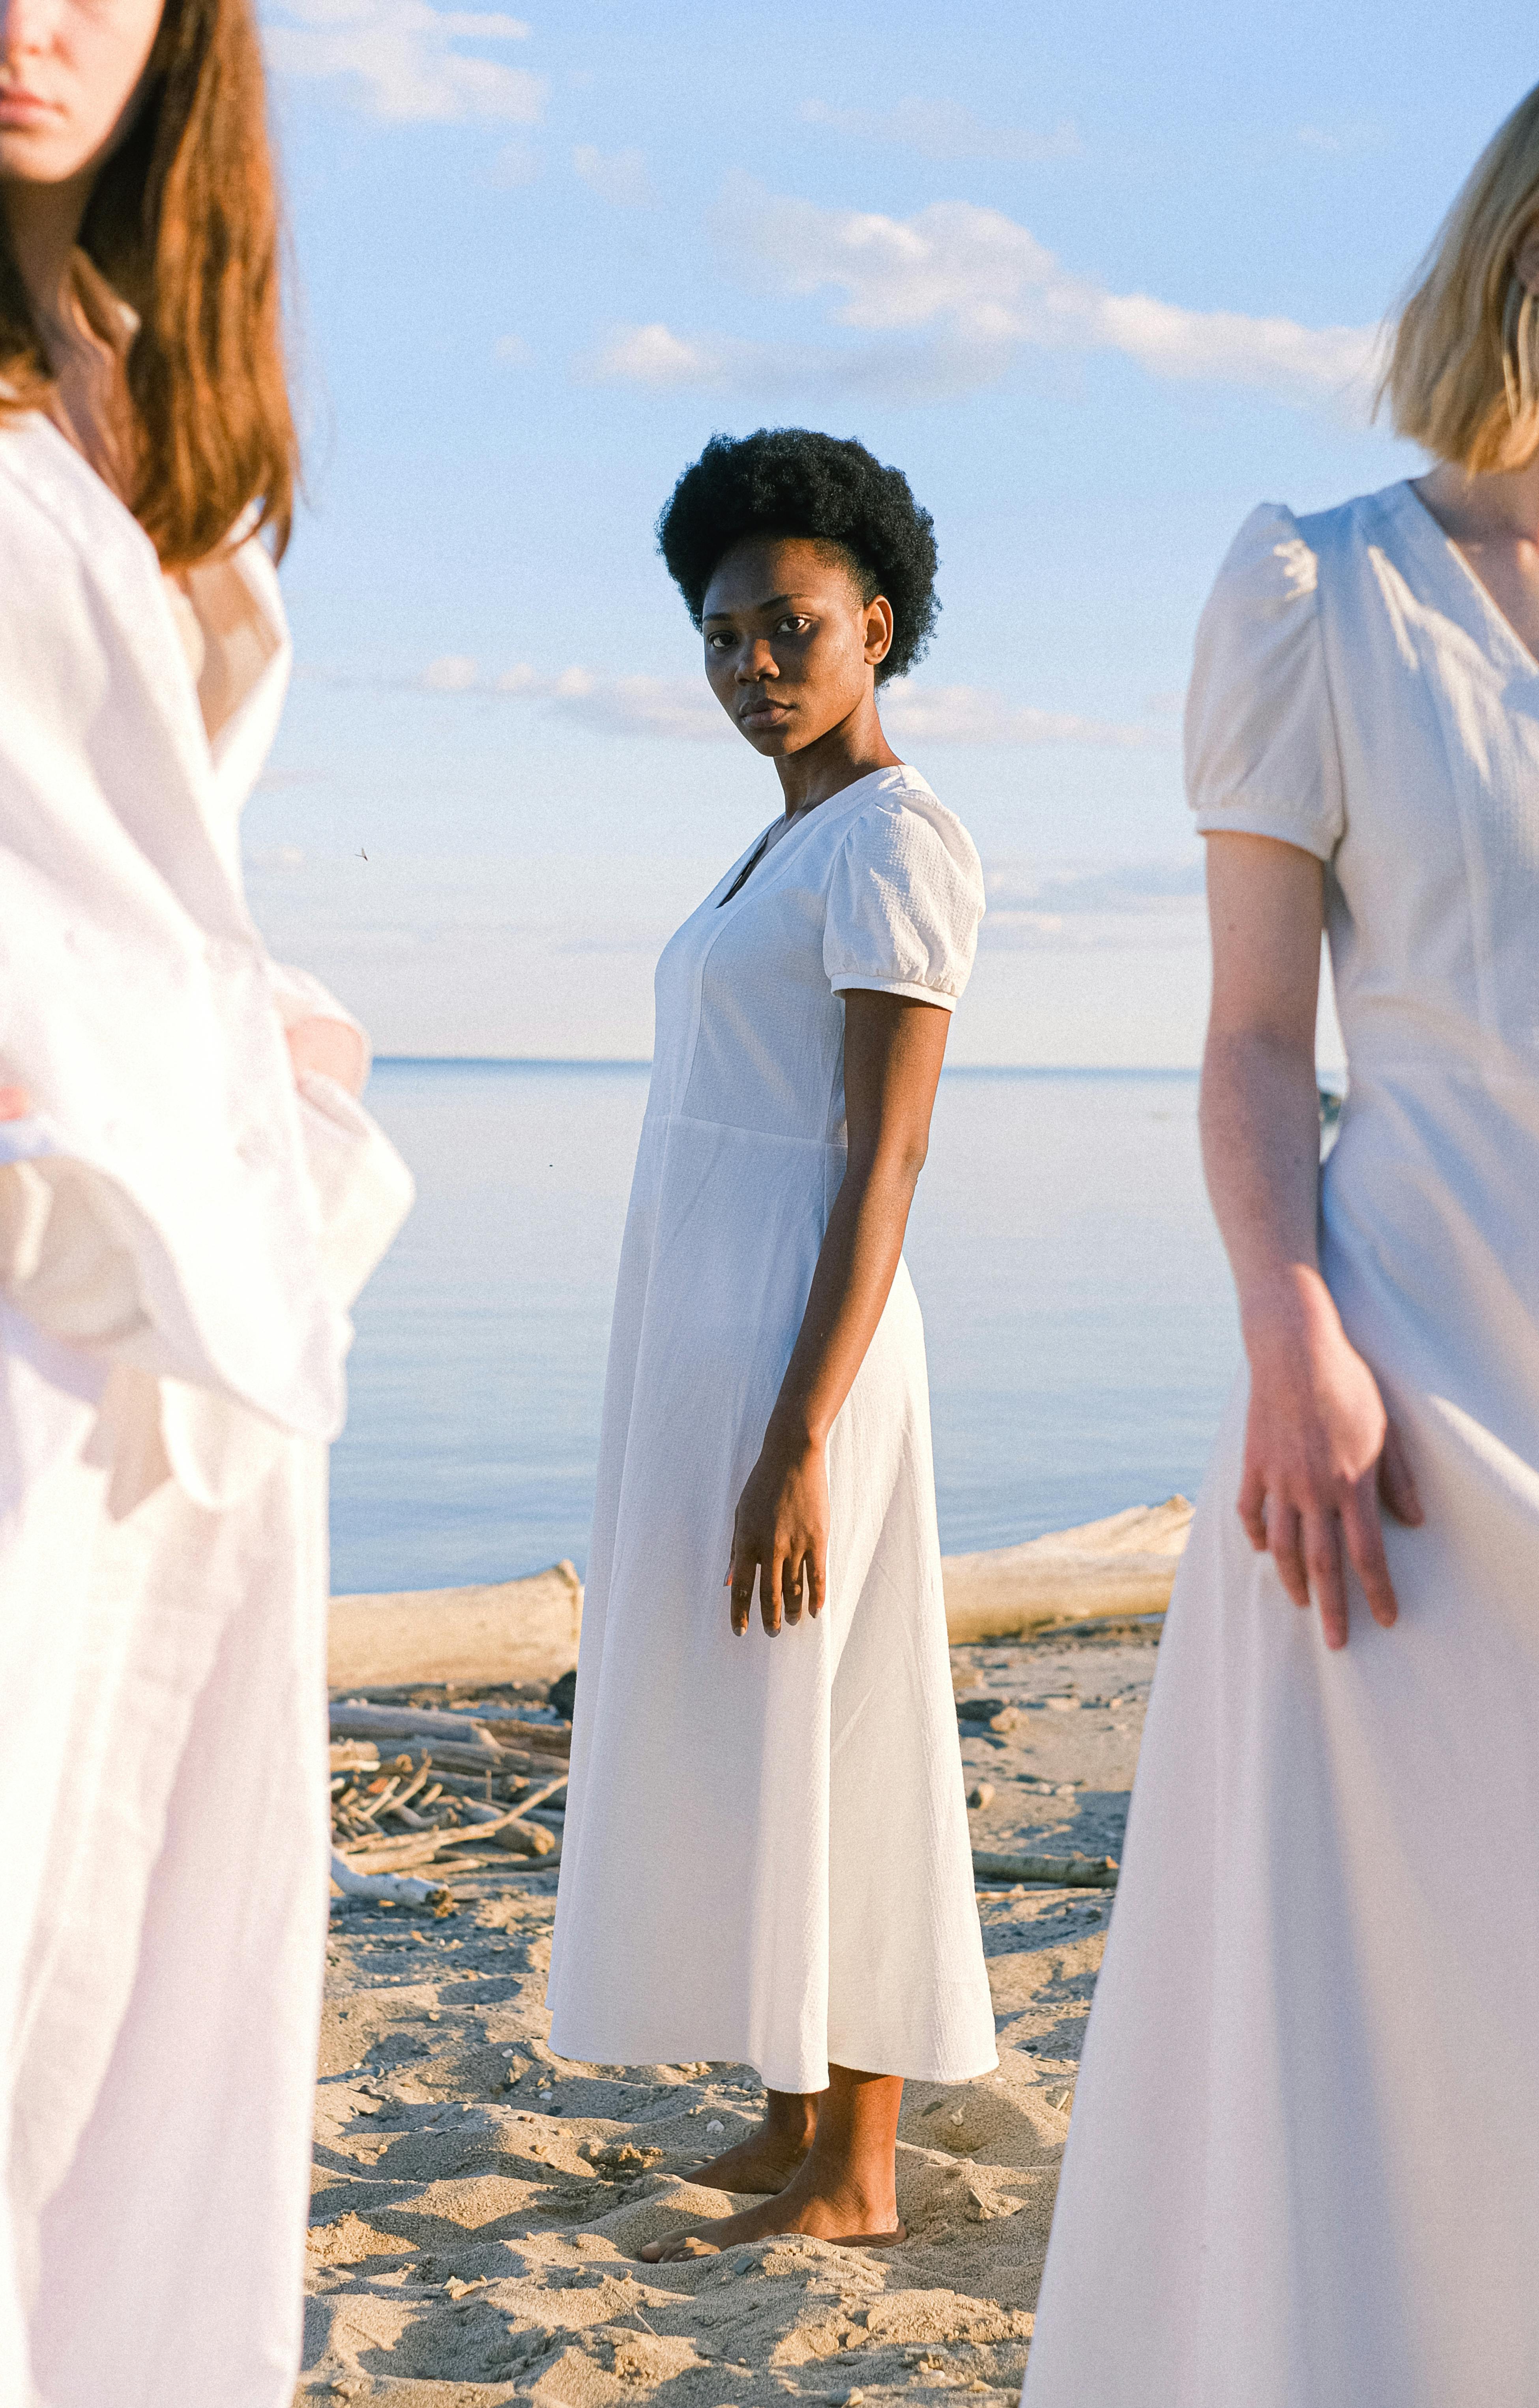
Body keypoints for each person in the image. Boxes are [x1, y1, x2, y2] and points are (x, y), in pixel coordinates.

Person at [1024, 41, 1539, 2408]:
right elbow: (1260, 1036)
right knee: (1427, 2012)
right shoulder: (1324, 589)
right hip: (1417, 1404)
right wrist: (1290, 1331)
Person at [0, 0, 412, 2396]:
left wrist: (277, 1052)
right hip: (55, 1258)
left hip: (185, 1326)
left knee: (148, 2039)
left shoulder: (139, 366)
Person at [547, 428, 996, 2258]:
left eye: (789, 625)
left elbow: (887, 1149)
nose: (752, 663)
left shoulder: (901, 836)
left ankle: (863, 2171)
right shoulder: (786, 837)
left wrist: (800, 1429)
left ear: (875, 623)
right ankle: (791, 2114)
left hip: (811, 1347)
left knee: (847, 1713)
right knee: (757, 1708)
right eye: (723, 634)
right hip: (708, 1328)